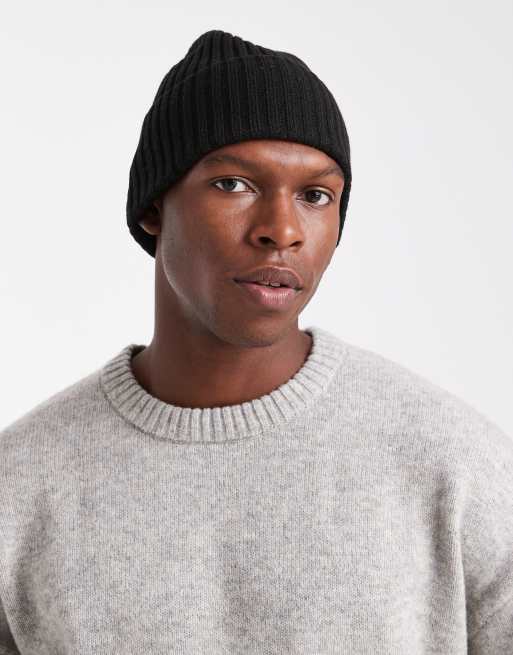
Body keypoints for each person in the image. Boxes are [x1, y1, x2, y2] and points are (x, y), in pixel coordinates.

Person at [1, 29, 512, 655]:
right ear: (154, 206)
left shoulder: (458, 470)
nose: (282, 230)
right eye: (234, 185)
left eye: (316, 196)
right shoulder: (19, 487)